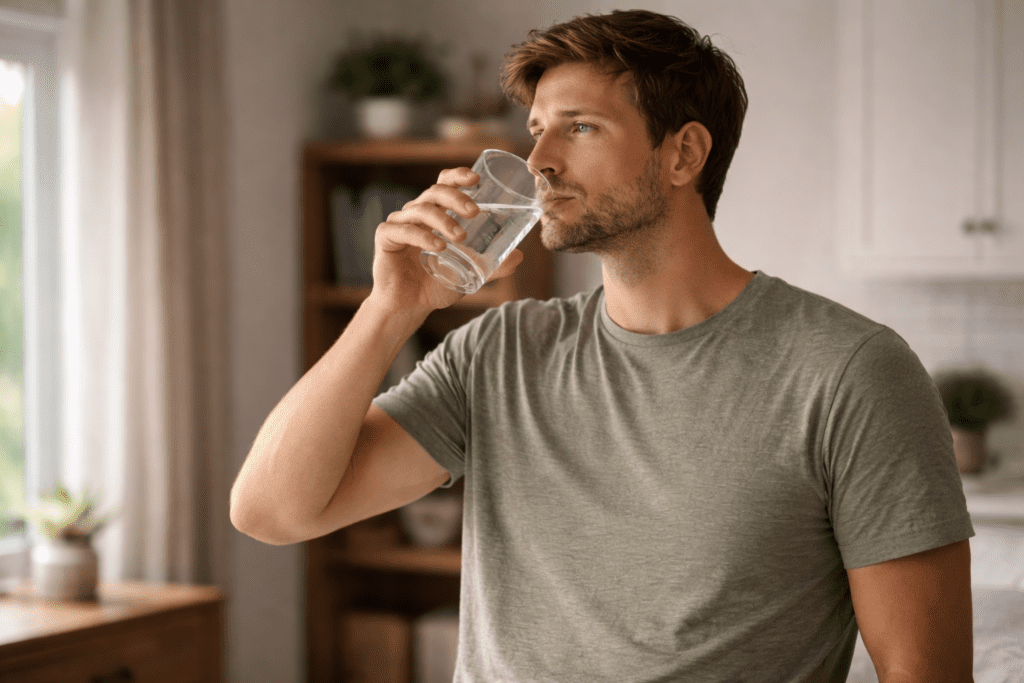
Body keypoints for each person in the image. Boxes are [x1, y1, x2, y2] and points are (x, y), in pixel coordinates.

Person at [231, 10, 975, 682]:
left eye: (579, 127)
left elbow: (924, 669)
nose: (539, 162)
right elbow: (271, 511)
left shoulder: (849, 371)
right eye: (536, 130)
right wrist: (388, 309)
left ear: (684, 155)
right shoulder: (499, 354)